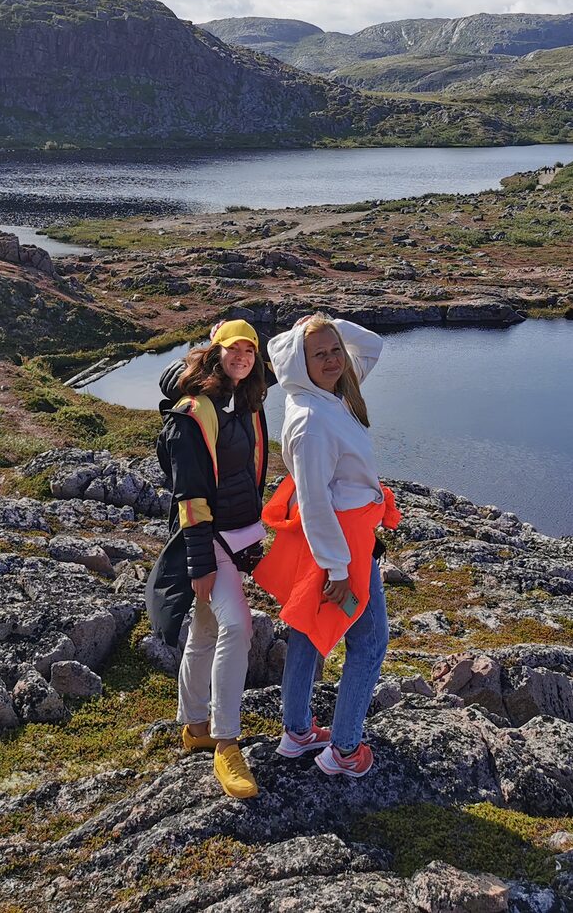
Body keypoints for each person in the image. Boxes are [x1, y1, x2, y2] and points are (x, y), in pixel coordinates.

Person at [260, 313, 396, 779]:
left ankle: (297, 731)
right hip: (341, 544)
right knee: (370, 641)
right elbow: (316, 502)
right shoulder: (313, 421)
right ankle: (343, 751)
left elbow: (372, 345)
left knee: (306, 630)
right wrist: (338, 569)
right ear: (301, 362)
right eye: (319, 353)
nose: (334, 359)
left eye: (335, 348)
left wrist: (326, 324)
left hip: (334, 540)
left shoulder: (325, 396)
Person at [154, 319, 271, 799]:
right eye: (233, 349)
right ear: (216, 351)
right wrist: (199, 563)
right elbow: (190, 497)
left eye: (250, 351)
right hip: (209, 541)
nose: (242, 357)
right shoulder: (194, 412)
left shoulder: (245, 401)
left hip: (238, 536)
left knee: (205, 631)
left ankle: (195, 725)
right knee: (238, 627)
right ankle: (227, 743)